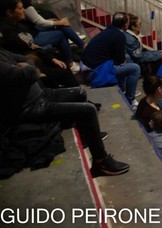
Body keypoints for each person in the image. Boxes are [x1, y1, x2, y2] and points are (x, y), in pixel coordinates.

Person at [0, 44, 129, 177]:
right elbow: (30, 73)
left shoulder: (2, 50)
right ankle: (101, 162)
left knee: (80, 93)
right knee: (88, 110)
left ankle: (85, 135)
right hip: (31, 107)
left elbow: (28, 60)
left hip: (41, 94)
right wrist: (27, 68)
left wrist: (26, 66)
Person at [0, 0, 79, 89]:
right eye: (20, 8)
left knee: (62, 64)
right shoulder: (5, 32)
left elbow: (33, 46)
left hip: (38, 57)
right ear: (9, 13)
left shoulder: (19, 24)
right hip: (31, 67)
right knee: (64, 72)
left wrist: (52, 59)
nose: (24, 10)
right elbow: (28, 49)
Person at [81, 12, 141, 108]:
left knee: (127, 59)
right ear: (125, 24)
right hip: (95, 71)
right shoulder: (119, 35)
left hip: (87, 65)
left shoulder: (108, 30)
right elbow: (120, 60)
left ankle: (123, 89)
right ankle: (130, 100)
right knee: (135, 68)